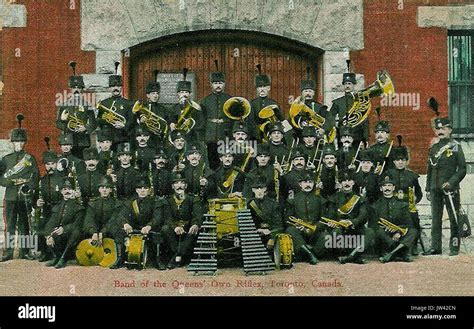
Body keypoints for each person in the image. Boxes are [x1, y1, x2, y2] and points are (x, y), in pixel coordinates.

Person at [0, 114, 39, 262]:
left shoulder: (30, 158)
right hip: (10, 197)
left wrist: (28, 187)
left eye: (22, 141)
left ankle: (24, 252)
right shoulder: (6, 159)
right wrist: (9, 182)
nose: (19, 144)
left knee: (24, 225)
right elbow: (1, 178)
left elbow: (35, 177)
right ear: (12, 143)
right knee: (10, 225)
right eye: (16, 141)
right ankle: (8, 252)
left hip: (25, 197)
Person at [425, 117, 466, 256]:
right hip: (435, 188)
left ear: (450, 130)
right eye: (438, 129)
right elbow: (430, 169)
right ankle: (435, 248)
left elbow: (462, 169)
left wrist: (451, 182)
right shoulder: (434, 148)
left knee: (453, 218)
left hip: (450, 189)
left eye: (443, 129)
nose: (440, 131)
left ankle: (454, 247)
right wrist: (428, 189)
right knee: (436, 219)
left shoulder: (455, 146)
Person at [110, 178, 161, 269]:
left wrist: (149, 226)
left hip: (149, 229)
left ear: (149, 190)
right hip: (134, 228)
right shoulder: (130, 202)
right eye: (140, 188)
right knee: (118, 232)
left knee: (157, 235)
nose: (142, 190)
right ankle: (120, 259)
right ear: (136, 190)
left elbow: (157, 217)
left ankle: (157, 260)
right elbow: (121, 215)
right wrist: (125, 223)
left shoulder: (155, 202)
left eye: (145, 188)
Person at [385, 137, 423, 255]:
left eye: (403, 160)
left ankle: (413, 245)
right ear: (394, 162)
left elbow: (419, 193)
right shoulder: (389, 174)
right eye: (397, 160)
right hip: (393, 204)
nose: (400, 162)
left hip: (407, 205)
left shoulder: (412, 176)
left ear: (406, 161)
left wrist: (414, 200)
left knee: (414, 219)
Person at [325, 170, 373, 264]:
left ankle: (351, 257)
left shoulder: (359, 198)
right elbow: (330, 214)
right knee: (335, 233)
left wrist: (352, 222)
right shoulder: (333, 198)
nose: (347, 183)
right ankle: (353, 256)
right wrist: (333, 222)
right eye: (344, 181)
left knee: (369, 232)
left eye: (349, 180)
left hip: (354, 227)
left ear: (353, 182)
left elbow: (363, 215)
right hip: (340, 227)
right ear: (340, 183)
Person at [160, 174, 203, 269]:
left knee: (193, 231)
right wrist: (175, 227)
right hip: (174, 228)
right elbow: (167, 217)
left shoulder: (193, 199)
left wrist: (195, 224)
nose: (179, 185)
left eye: (182, 183)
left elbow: (197, 215)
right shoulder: (167, 200)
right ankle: (180, 255)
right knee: (165, 228)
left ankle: (175, 258)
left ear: (186, 186)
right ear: (172, 186)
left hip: (188, 227)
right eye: (176, 183)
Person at [371, 176, 418, 263]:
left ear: (393, 188)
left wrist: (398, 232)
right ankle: (401, 253)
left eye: (389, 185)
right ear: (381, 189)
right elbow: (373, 224)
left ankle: (391, 254)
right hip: (385, 235)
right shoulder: (375, 206)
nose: (387, 188)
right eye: (385, 186)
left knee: (413, 231)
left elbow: (408, 222)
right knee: (378, 231)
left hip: (399, 233)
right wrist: (385, 229)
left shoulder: (402, 204)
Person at [56, 61, 97, 158]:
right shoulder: (64, 105)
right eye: (74, 87)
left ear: (82, 89)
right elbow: (58, 123)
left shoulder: (87, 105)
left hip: (84, 141)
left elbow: (94, 123)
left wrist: (86, 128)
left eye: (78, 87)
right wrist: (63, 120)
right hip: (69, 140)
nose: (76, 90)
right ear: (70, 89)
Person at [284, 174, 327, 265]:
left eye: (310, 182)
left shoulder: (320, 199)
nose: (308, 184)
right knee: (290, 230)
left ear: (314, 183)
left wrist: (316, 227)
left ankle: (305, 254)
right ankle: (309, 254)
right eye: (305, 182)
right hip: (300, 230)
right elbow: (288, 218)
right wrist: (297, 225)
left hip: (315, 231)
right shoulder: (293, 199)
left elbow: (324, 218)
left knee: (326, 236)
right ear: (300, 184)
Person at [33, 142, 65, 262]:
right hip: (46, 209)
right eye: (48, 164)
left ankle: (56, 253)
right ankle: (44, 252)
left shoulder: (62, 179)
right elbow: (35, 197)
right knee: (40, 225)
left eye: (52, 164)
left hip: (60, 209)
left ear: (56, 164)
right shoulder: (42, 180)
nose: (50, 166)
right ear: (45, 165)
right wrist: (37, 202)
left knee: (53, 227)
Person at [43, 180, 84, 268]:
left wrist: (64, 229)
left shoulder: (78, 207)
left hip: (71, 233)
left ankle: (63, 257)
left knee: (76, 232)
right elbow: (51, 222)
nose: (67, 191)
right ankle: (56, 256)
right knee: (51, 234)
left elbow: (77, 224)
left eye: (70, 189)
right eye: (64, 189)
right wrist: (48, 235)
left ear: (73, 191)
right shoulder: (57, 206)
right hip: (60, 234)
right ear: (61, 192)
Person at [200, 61, 232, 169]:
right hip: (210, 136)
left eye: (220, 83)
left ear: (224, 84)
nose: (218, 85)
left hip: (226, 135)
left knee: (226, 162)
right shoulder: (205, 101)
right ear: (211, 84)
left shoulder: (230, 99)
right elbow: (202, 121)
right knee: (212, 162)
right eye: (215, 83)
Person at [96, 62, 133, 148]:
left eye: (118, 86)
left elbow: (132, 122)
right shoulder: (104, 103)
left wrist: (124, 126)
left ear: (121, 88)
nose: (115, 88)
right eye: (113, 86)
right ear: (110, 88)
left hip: (123, 138)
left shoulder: (128, 103)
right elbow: (100, 123)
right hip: (108, 140)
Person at [330, 70, 368, 146]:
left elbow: (365, 120)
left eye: (349, 84)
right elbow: (330, 117)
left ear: (354, 85)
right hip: (342, 135)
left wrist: (365, 138)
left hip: (357, 136)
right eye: (345, 84)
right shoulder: (338, 102)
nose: (347, 86)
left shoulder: (360, 102)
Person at [82, 176, 121, 249]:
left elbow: (114, 220)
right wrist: (93, 232)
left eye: (107, 188)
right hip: (96, 231)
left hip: (110, 231)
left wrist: (103, 232)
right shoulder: (92, 204)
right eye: (102, 187)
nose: (104, 190)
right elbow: (89, 220)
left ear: (111, 190)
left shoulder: (117, 204)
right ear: (99, 189)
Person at [247, 180, 283, 250]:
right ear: (253, 190)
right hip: (255, 235)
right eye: (256, 189)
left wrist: (272, 237)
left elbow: (279, 224)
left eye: (262, 188)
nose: (259, 191)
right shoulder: (249, 204)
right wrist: (259, 230)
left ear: (265, 189)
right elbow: (247, 224)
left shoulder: (273, 204)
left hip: (270, 234)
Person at [136, 77, 169, 147]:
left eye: (157, 93)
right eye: (153, 93)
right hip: (144, 141)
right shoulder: (141, 107)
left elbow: (165, 124)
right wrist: (140, 121)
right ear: (148, 95)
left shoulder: (163, 109)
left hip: (158, 141)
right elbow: (135, 123)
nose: (155, 95)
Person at [251, 65, 281, 141]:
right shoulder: (252, 104)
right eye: (260, 87)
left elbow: (280, 120)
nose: (262, 89)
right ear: (257, 89)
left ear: (268, 88)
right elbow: (250, 122)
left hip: (271, 137)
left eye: (264, 87)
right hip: (256, 137)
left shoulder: (273, 104)